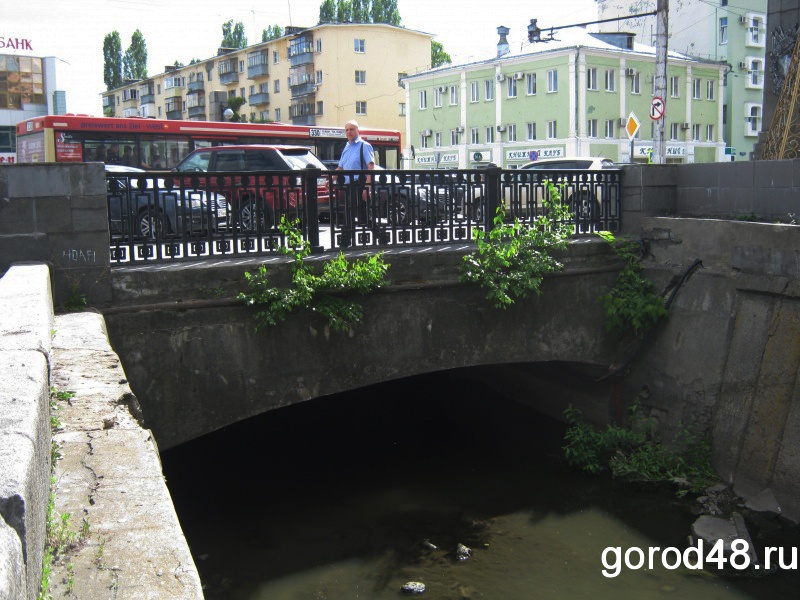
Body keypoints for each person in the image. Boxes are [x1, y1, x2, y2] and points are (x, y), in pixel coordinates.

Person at [336, 119, 375, 247]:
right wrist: (331, 180)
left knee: (354, 212)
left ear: (358, 130)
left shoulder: (364, 145)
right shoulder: (346, 147)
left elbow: (370, 166)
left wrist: (367, 187)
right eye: (346, 130)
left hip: (359, 184)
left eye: (351, 129)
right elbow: (340, 167)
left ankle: (348, 240)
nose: (349, 132)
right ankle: (376, 236)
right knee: (357, 213)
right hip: (348, 185)